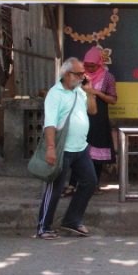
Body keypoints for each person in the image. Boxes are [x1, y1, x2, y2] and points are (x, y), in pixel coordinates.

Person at [34, 57, 98, 239]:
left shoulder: (80, 91)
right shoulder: (55, 94)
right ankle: (44, 226)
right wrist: (51, 148)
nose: (83, 77)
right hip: (63, 148)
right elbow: (50, 124)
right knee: (55, 188)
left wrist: (89, 92)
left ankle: (72, 220)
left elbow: (93, 111)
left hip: (81, 148)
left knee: (90, 182)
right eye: (79, 74)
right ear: (68, 75)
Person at [82, 46, 118, 185]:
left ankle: (94, 184)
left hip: (99, 120)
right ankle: (74, 184)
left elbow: (113, 100)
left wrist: (96, 92)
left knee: (96, 155)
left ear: (99, 63)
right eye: (87, 65)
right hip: (81, 118)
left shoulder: (108, 77)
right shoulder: (79, 76)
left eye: (93, 66)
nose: (89, 68)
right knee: (79, 152)